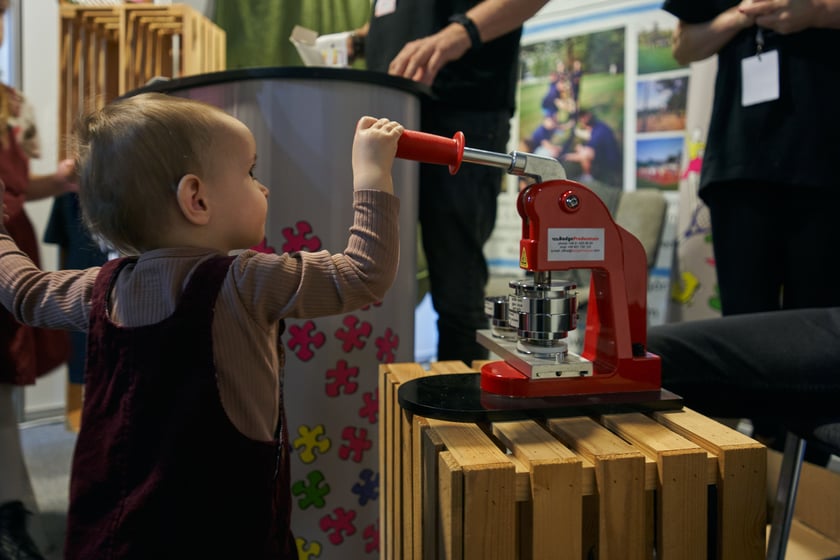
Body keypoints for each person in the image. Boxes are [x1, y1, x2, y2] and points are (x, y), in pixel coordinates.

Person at [0, 92, 403, 559]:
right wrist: (372, 172)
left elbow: (25, 292)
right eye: (251, 173)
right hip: (226, 528)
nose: (263, 188)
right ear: (196, 198)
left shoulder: (103, 289)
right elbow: (364, 273)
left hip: (121, 534)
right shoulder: (246, 280)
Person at [662, 0, 840, 450]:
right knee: (743, 326)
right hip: (739, 163)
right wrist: (743, 15)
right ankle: (761, 457)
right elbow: (684, 45)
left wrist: (816, 11)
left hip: (824, 158)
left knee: (817, 328)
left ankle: (808, 473)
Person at [349, 0, 549, 364]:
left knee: (457, 291)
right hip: (390, 106)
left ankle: (455, 418)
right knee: (373, 279)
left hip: (460, 109)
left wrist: (457, 35)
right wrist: (365, 39)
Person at [0, 1, 78, 558]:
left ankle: (10, 508)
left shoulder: (9, 104)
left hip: (6, 244)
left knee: (1, 381)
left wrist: (65, 178)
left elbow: (20, 189)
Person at [563, 108, 622, 188]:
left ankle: (588, 177)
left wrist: (568, 156)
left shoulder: (599, 131)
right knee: (581, 150)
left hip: (609, 163)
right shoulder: (599, 127)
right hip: (606, 158)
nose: (582, 121)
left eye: (583, 118)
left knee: (584, 152)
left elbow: (588, 153)